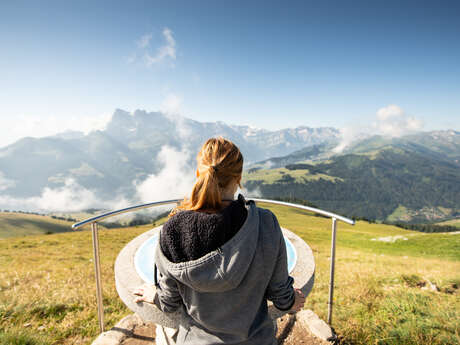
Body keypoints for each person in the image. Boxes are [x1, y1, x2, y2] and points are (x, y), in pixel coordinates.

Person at [134, 137, 305, 345]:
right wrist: (292, 300)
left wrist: (154, 295)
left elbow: (170, 303)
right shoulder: (266, 223)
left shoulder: (173, 231)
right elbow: (281, 295)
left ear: (198, 173)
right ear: (239, 177)